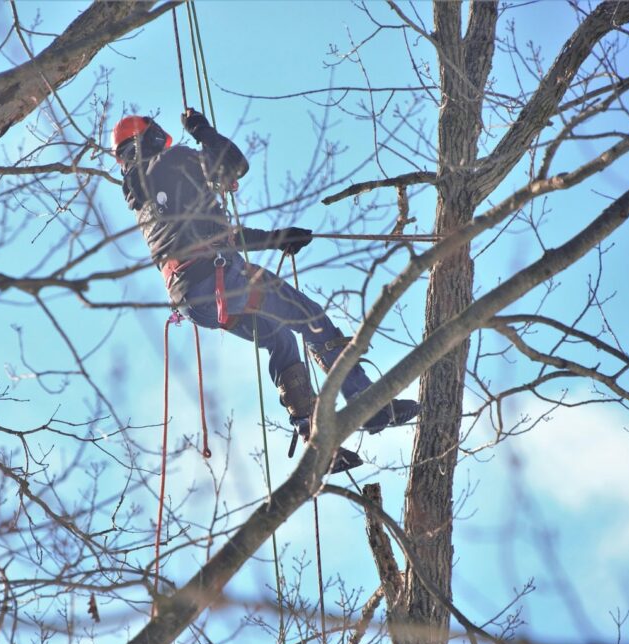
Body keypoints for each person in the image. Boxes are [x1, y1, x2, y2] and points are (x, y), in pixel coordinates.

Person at [113, 109, 419, 473]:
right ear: (151, 137)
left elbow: (211, 239)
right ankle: (368, 404)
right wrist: (201, 130)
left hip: (198, 300)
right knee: (309, 316)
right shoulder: (175, 161)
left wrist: (276, 239)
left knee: (279, 337)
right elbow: (234, 165)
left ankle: (314, 436)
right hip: (220, 278)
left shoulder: (144, 199)